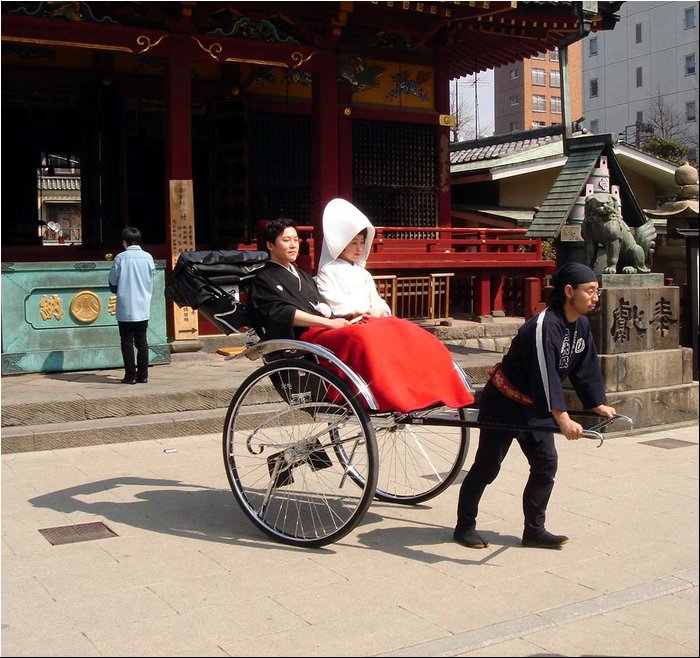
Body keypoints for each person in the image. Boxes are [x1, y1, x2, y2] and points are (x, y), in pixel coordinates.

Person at [454, 262, 616, 550]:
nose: (595, 297)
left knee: (545, 464)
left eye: (597, 292)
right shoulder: (544, 326)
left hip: (535, 406)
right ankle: (464, 526)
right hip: (504, 401)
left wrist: (596, 404)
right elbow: (546, 373)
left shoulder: (580, 325)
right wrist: (563, 418)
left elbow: (585, 367)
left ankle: (534, 530)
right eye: (590, 291)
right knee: (488, 466)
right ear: (569, 291)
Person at [249, 216, 474, 413]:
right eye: (286, 240)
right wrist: (329, 323)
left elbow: (323, 306)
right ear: (270, 245)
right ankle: (382, 391)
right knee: (363, 338)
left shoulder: (303, 276)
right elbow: (280, 312)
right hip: (304, 336)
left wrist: (351, 315)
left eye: (296, 240)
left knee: (406, 330)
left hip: (326, 326)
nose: (293, 245)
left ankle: (421, 387)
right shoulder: (263, 278)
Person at [315, 198, 391, 319]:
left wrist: (382, 311)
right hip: (349, 322)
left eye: (362, 242)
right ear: (341, 244)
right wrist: (364, 312)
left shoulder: (363, 273)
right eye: (354, 243)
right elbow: (334, 304)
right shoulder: (327, 271)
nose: (359, 248)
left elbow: (376, 300)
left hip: (373, 319)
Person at [108, 226, 155, 384]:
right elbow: (151, 278)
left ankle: (130, 376)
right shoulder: (148, 257)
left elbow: (113, 280)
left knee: (127, 341)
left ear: (124, 242)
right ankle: (143, 375)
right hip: (143, 305)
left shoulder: (120, 258)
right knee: (142, 342)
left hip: (126, 306)